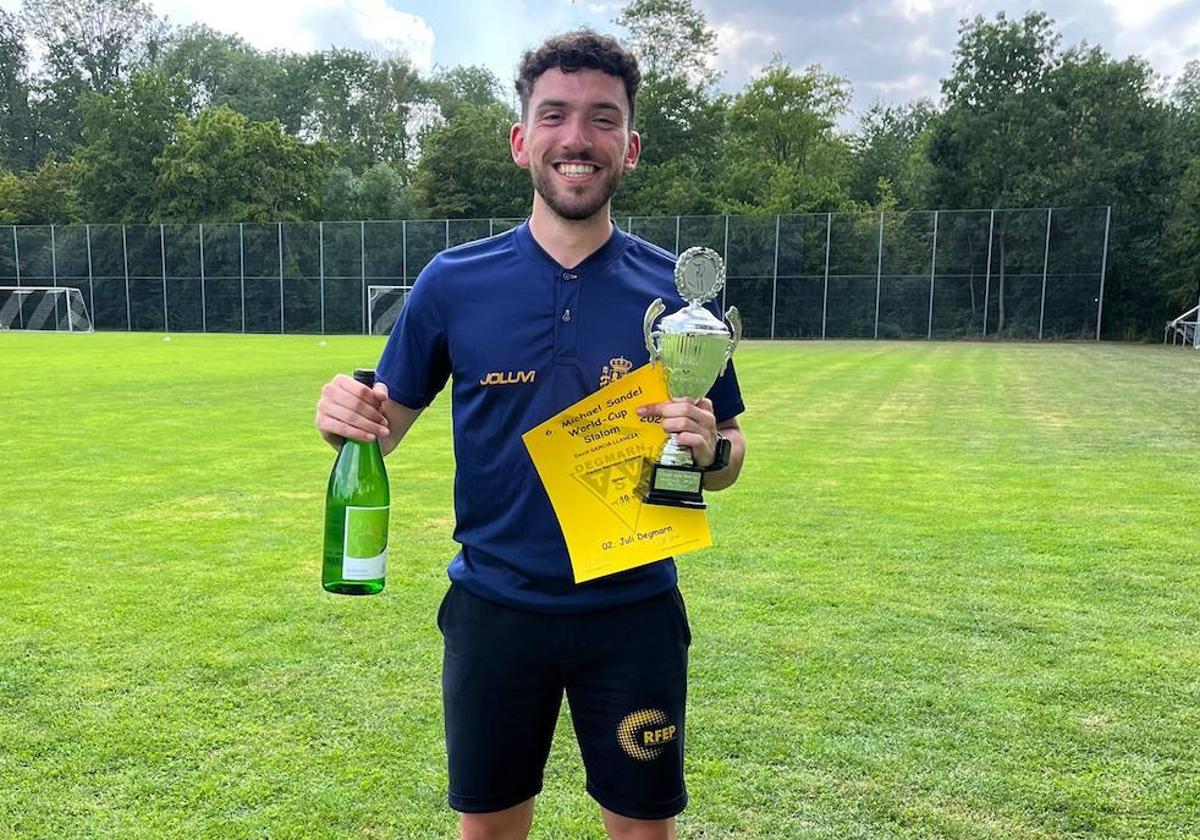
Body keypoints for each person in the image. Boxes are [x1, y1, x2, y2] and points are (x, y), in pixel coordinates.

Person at [316, 29, 745, 840]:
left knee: (643, 830)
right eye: (554, 116)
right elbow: (381, 430)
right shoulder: (452, 282)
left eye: (601, 119)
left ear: (631, 144)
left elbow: (727, 455)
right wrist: (343, 417)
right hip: (494, 615)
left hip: (635, 618)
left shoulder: (681, 299)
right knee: (489, 833)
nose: (577, 138)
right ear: (521, 140)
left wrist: (707, 448)